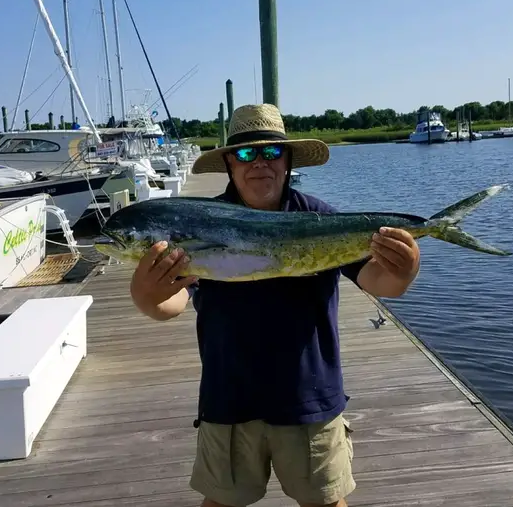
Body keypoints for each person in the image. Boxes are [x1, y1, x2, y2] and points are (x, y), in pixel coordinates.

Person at [129, 103, 421, 507]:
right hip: (229, 399)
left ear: (287, 161)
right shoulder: (201, 221)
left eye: (271, 152)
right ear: (230, 163)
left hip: (309, 399)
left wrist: (404, 270)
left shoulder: (318, 218)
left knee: (326, 502)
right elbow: (173, 302)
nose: (259, 163)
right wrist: (146, 295)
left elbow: (379, 281)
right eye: (246, 153)